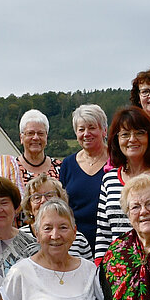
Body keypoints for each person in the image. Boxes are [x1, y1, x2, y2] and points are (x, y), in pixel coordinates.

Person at [94, 106, 150, 259]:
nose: (132, 139)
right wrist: (100, 268)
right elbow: (103, 232)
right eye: (125, 134)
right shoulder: (109, 179)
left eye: (139, 133)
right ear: (116, 139)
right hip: (117, 268)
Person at [56, 104, 109, 246]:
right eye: (81, 129)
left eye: (92, 128)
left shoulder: (118, 161)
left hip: (111, 240)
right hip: (76, 243)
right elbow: (63, 206)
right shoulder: (67, 164)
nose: (86, 134)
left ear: (104, 130)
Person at [21, 174, 93, 258]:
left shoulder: (78, 239)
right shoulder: (19, 238)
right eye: (37, 197)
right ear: (29, 206)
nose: (43, 200)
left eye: (49, 195)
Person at [6, 109, 60, 194]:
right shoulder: (11, 168)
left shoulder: (60, 168)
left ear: (46, 137)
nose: (35, 138)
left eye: (40, 133)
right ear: (21, 138)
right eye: (30, 133)